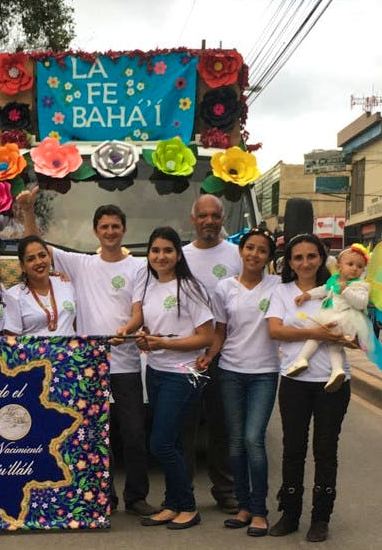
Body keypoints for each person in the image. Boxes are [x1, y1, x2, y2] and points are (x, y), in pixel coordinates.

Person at [20, 190, 156, 516]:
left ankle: (136, 496)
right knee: (96, 436)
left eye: (115, 226)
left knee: (134, 435)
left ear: (124, 229)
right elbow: (37, 247)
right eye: (104, 227)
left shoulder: (138, 266)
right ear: (96, 231)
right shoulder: (81, 264)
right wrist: (28, 210)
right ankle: (103, 497)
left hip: (126, 364)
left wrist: (127, 329)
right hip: (90, 365)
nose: (110, 231)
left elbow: (138, 310)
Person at [265, 233, 353, 543]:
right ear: (289, 263)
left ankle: (320, 517)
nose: (305, 263)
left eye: (311, 256)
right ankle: (290, 513)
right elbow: (275, 330)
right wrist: (318, 333)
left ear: (322, 258)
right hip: (294, 382)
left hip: (333, 383)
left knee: (326, 451)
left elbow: (355, 329)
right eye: (298, 258)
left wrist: (350, 337)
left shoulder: (339, 289)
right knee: (293, 449)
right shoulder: (281, 292)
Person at [199, 229, 280, 537]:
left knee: (253, 440)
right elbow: (220, 331)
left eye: (261, 250)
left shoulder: (278, 286)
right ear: (241, 251)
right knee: (234, 442)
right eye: (249, 248)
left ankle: (259, 511)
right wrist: (209, 356)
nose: (254, 254)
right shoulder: (225, 288)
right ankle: (243, 506)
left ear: (268, 257)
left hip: (264, 373)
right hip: (230, 371)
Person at [135, 227, 213, 530]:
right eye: (155, 250)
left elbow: (205, 337)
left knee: (161, 443)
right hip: (156, 371)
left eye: (168, 250)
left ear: (179, 255)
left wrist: (164, 344)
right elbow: (153, 328)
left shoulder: (190, 288)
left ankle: (189, 507)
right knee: (175, 442)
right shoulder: (149, 286)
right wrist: (145, 338)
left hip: (183, 373)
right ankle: (172, 504)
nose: (161, 256)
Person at [180, 194, 240, 511]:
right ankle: (183, 491)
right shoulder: (180, 256)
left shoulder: (237, 254)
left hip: (225, 356)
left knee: (221, 425)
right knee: (185, 427)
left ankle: (225, 490)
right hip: (187, 356)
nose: (209, 221)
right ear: (193, 220)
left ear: (222, 219)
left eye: (215, 216)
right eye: (203, 216)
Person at [291, 244, 370, 392]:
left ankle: (301, 359)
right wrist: (307, 295)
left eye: (360, 266)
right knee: (334, 347)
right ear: (339, 267)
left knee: (316, 337)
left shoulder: (361, 285)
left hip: (344, 319)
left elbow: (361, 303)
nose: (354, 268)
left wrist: (346, 290)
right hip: (334, 316)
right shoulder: (334, 281)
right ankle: (337, 371)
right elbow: (323, 290)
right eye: (350, 264)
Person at [3, 236, 77, 336]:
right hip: (32, 346)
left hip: (70, 345)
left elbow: (77, 323)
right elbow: (12, 339)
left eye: (42, 255)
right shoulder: (13, 295)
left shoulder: (65, 283)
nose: (38, 262)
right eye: (31, 259)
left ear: (49, 257)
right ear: (22, 266)